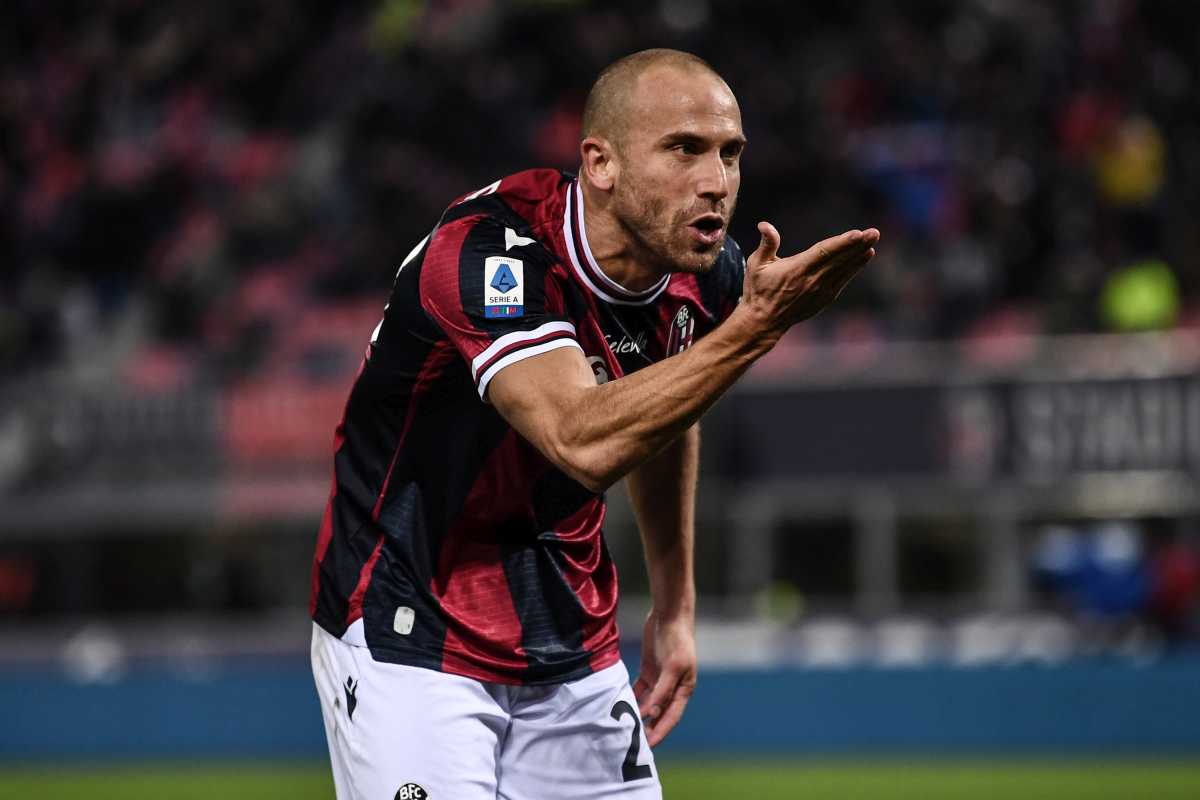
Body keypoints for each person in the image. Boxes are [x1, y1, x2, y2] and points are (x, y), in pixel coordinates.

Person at [309, 48, 879, 799]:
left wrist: (675, 606)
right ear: (601, 163)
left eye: (730, 153)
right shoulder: (489, 253)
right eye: (685, 149)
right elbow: (583, 439)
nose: (716, 181)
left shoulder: (705, 278)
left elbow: (664, 414)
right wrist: (755, 329)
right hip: (408, 621)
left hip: (568, 630)